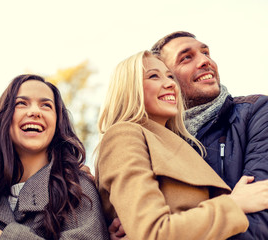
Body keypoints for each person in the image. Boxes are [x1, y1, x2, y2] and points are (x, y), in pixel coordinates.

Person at [95, 50, 268, 239]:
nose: (170, 83)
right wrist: (235, 204)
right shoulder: (124, 135)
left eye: (170, 76)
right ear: (128, 88)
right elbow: (154, 233)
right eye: (153, 76)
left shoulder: (179, 144)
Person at [150, 31, 268, 239]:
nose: (205, 61)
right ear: (166, 79)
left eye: (206, 52)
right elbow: (151, 226)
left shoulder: (256, 112)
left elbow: (260, 212)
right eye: (186, 57)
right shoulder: (153, 142)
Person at [0, 74, 109, 240]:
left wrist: (1, 237)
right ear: (5, 117)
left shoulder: (76, 188)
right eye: (21, 103)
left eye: (46, 105)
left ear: (57, 123)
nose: (34, 112)